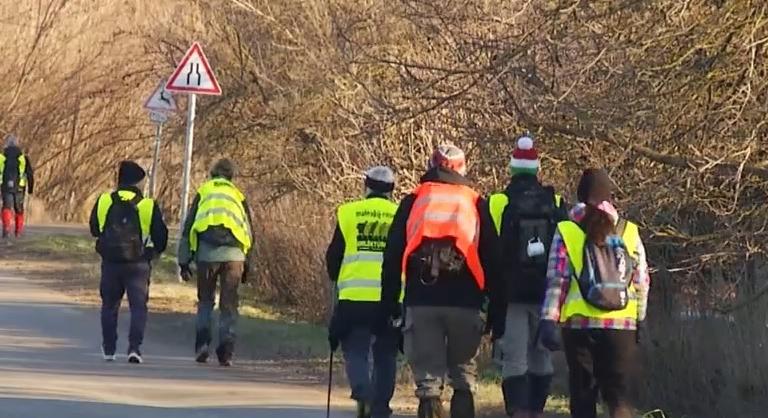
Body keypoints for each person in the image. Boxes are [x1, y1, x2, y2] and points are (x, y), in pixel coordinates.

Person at [381, 144, 504, 418]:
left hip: (421, 301)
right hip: (466, 302)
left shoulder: (414, 200)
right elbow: (494, 258)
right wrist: (497, 309)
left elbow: (392, 255)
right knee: (463, 377)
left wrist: (390, 303)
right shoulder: (475, 202)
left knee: (428, 385)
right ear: (463, 168)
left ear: (430, 164)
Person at [538, 168, 651, 418]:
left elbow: (558, 280)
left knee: (582, 397)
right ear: (609, 197)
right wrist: (639, 318)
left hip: (579, 326)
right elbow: (642, 280)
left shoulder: (567, 229)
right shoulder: (628, 231)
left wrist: (548, 319)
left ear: (580, 196)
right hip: (622, 326)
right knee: (619, 399)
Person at [488, 136, 568, 418]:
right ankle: (536, 410)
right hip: (546, 293)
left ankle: (518, 411)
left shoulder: (498, 202)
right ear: (537, 168)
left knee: (514, 359)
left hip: (511, 295)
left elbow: (490, 251)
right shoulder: (555, 201)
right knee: (541, 356)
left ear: (511, 168)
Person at [326, 166, 400, 418]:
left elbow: (334, 256)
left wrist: (336, 275)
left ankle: (362, 391)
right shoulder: (400, 214)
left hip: (354, 297)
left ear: (365, 186)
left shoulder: (349, 212)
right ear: (391, 190)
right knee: (386, 352)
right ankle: (380, 406)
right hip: (389, 298)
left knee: (355, 349)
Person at [89, 160, 168, 364]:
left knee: (109, 306)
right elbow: (161, 238)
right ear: (139, 183)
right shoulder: (147, 205)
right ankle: (134, 348)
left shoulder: (105, 200)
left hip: (111, 263)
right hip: (138, 263)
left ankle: (109, 349)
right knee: (138, 307)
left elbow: (95, 229)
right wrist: (153, 252)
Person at [178, 158, 255, 367]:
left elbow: (188, 228)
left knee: (205, 301)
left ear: (212, 174)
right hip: (234, 257)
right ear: (231, 176)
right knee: (229, 305)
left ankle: (202, 345)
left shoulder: (204, 192)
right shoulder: (238, 195)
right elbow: (249, 230)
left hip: (206, 255)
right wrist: (248, 263)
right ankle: (226, 351)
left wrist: (183, 261)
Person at [1, 134, 34, 239]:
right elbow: (30, 174)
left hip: (5, 186)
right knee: (19, 209)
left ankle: (6, 229)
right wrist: (30, 189)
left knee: (6, 207)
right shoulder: (23, 158)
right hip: (20, 187)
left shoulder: (1, 157)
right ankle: (18, 231)